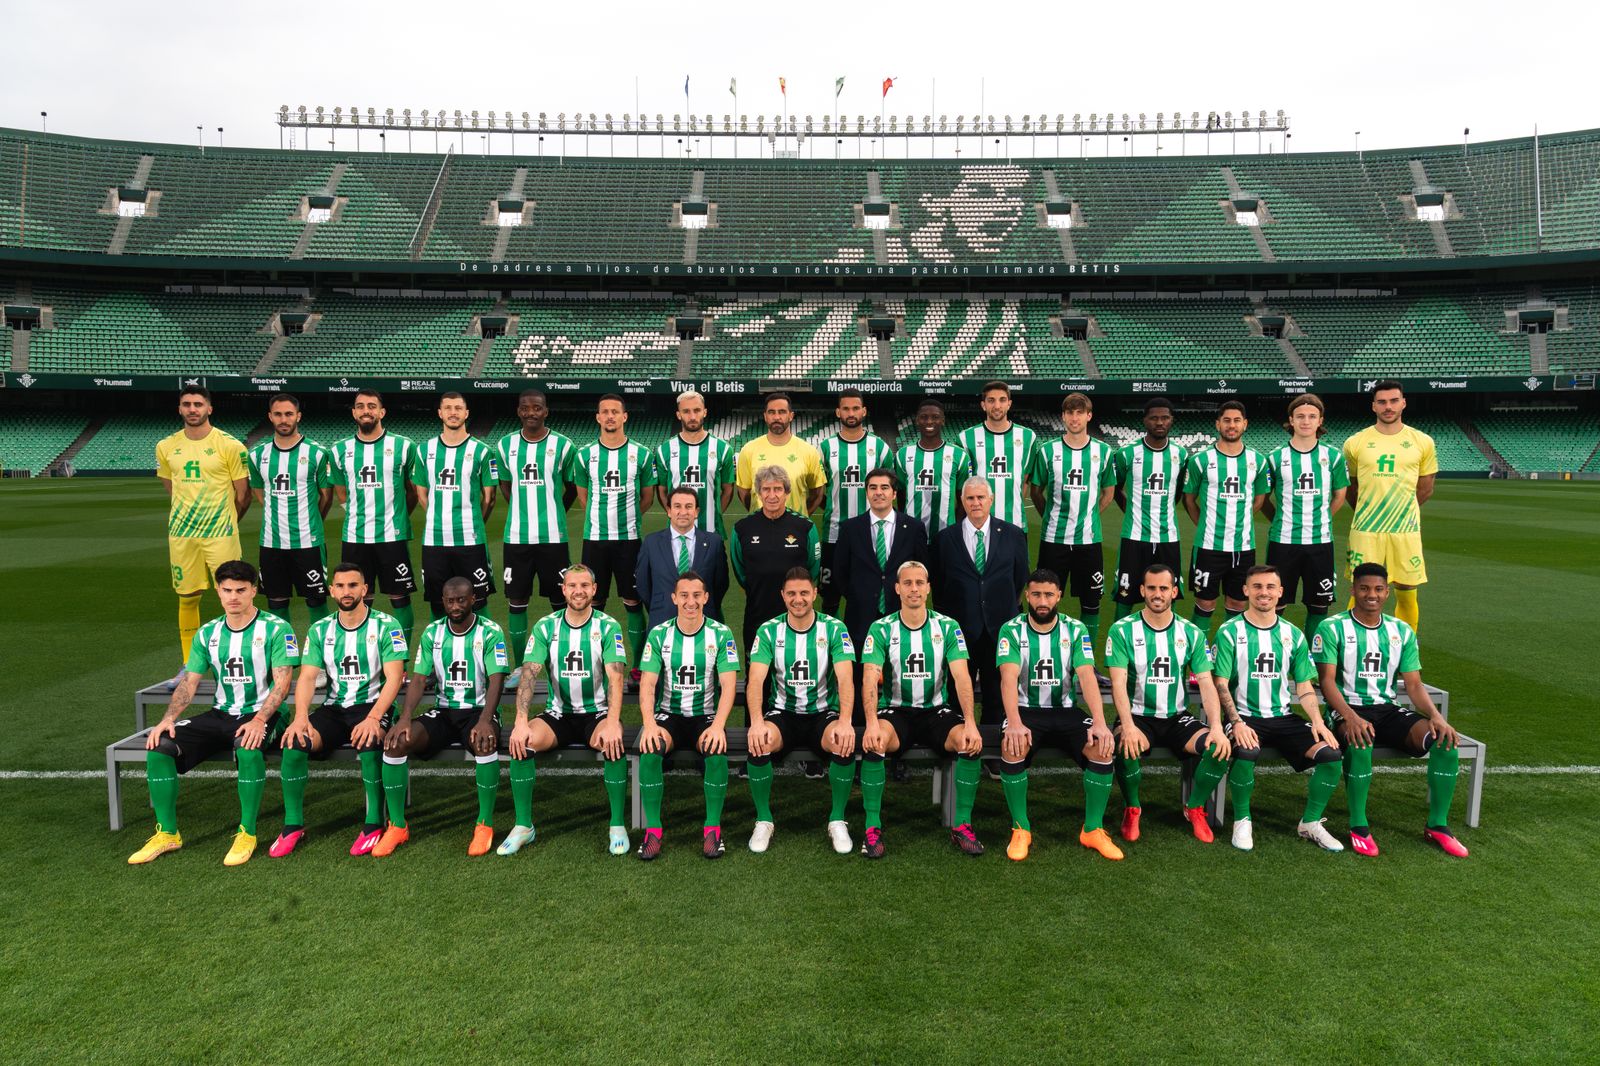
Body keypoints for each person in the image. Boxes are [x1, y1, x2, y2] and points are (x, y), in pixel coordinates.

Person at [128, 561, 297, 867]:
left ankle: (247, 831)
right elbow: (189, 682)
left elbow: (283, 683)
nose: (234, 597)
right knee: (159, 748)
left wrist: (259, 719)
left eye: (241, 590)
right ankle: (168, 833)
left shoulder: (275, 628)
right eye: (227, 590)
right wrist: (168, 718)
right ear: (218, 592)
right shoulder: (208, 633)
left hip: (264, 713)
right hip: (220, 714)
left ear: (254, 592)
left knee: (248, 748)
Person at [1313, 563, 1467, 857]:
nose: (1372, 595)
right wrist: (1351, 717)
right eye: (1365, 588)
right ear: (1354, 590)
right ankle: (1358, 825)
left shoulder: (1401, 631)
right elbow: (1327, 683)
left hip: (1387, 709)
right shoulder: (1332, 627)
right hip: (1347, 710)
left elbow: (1414, 685)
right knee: (1360, 740)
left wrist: (1437, 717)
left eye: (1379, 589)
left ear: (1387, 593)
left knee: (1445, 742)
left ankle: (1438, 825)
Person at [273, 563, 407, 858]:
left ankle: (374, 823)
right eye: (341, 586)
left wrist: (373, 718)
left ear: (364, 589)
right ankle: (292, 824)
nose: (347, 592)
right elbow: (307, 677)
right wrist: (300, 717)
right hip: (335, 707)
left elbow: (395, 677)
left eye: (353, 585)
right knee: (294, 742)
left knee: (370, 741)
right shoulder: (320, 629)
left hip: (373, 705)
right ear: (331, 590)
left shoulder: (386, 625)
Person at [1211, 565, 1345, 853]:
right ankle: (1243, 820)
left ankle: (1310, 823)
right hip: (1245, 717)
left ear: (1281, 593)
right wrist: (1235, 722)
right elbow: (1220, 683)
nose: (1264, 592)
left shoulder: (1293, 634)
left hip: (1283, 718)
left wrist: (1317, 721)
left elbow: (1305, 686)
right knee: (1246, 751)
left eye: (1270, 587)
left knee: (1332, 756)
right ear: (1246, 591)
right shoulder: (1229, 631)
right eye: (1257, 586)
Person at [374, 577, 510, 858]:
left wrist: (487, 719)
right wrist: (405, 717)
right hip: (445, 711)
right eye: (450, 600)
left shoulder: (490, 632)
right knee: (396, 742)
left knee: (484, 743)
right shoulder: (433, 632)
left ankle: (484, 824)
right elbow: (420, 678)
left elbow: (497, 679)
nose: (456, 605)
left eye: (462, 600)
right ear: (443, 601)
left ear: (474, 600)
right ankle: (397, 825)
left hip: (478, 710)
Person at [503, 565, 630, 856]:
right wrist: (521, 721)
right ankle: (524, 826)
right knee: (522, 740)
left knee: (613, 740)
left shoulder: (608, 626)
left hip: (596, 714)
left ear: (594, 590)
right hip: (557, 714)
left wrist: (612, 722)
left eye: (585, 585)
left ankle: (617, 824)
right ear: (563, 590)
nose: (578, 591)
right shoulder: (546, 626)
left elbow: (616, 677)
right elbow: (529, 674)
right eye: (572, 586)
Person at [995, 569, 1121, 862]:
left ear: (1058, 597)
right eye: (1036, 594)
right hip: (1027, 711)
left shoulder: (1075, 630)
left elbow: (1087, 676)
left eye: (1048, 595)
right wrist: (1013, 722)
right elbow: (1008, 678)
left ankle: (1092, 829)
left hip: (1066, 711)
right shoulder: (1011, 630)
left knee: (1101, 747)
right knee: (1012, 745)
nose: (1042, 601)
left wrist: (1100, 722)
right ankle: (1020, 828)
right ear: (1027, 595)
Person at [859, 561, 984, 858]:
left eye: (919, 583)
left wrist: (970, 722)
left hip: (936, 711)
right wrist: (871, 723)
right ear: (897, 588)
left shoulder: (948, 626)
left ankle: (961, 824)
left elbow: (962, 676)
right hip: (895, 711)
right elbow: (868, 677)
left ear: (928, 588)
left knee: (968, 743)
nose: (914, 588)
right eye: (908, 583)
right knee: (875, 743)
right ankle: (872, 826)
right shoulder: (881, 628)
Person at [1105, 563, 1232, 846]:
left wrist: (1216, 727)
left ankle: (1195, 807)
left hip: (1177, 718)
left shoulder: (1191, 633)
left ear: (1174, 592)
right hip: (1137, 715)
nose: (1157, 594)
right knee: (1126, 746)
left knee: (1219, 747)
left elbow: (1207, 683)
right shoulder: (1122, 630)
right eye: (1151, 588)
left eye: (1164, 588)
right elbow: (1117, 683)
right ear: (1142, 590)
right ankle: (1133, 807)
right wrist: (1126, 725)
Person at [745, 568, 859, 854]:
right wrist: (757, 722)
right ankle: (764, 820)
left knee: (843, 742)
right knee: (759, 743)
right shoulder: (769, 630)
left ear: (815, 594)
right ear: (783, 596)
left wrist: (845, 721)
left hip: (822, 714)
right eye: (792, 593)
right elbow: (756, 679)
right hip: (783, 714)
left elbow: (845, 678)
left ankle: (837, 819)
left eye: (804, 593)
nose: (799, 599)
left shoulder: (834, 629)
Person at [634, 571, 742, 860]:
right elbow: (647, 684)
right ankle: (653, 830)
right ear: (674, 598)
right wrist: (649, 724)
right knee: (650, 749)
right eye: (684, 595)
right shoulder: (659, 633)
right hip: (668, 715)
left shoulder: (720, 633)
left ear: (706, 598)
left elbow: (729, 684)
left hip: (704, 716)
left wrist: (719, 726)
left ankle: (713, 828)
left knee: (716, 751)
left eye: (696, 595)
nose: (690, 601)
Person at [155, 385, 251, 688]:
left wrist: (224, 522)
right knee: (187, 597)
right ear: (180, 409)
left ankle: (244, 661)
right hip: (182, 535)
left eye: (198, 404)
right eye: (187, 404)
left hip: (220, 534)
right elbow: (171, 488)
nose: (192, 409)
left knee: (235, 595)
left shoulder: (230, 445)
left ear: (209, 408)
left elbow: (243, 494)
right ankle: (188, 666)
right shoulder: (166, 446)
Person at [495, 389, 578, 681]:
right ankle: (520, 666)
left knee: (561, 603)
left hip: (553, 539)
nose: (531, 412)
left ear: (546, 411)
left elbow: (570, 488)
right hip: (517, 538)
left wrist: (555, 510)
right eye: (525, 407)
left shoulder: (564, 446)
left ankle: (559, 664)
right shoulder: (504, 446)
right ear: (518, 411)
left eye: (537, 408)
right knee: (517, 601)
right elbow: (506, 486)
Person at [932, 476, 1030, 722]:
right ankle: (959, 746)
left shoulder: (1013, 535)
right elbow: (940, 585)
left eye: (980, 497)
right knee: (956, 694)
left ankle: (994, 751)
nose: (976, 503)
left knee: (997, 694)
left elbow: (1020, 578)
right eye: (970, 498)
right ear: (962, 501)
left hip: (1000, 629)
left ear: (991, 500)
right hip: (960, 630)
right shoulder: (945, 539)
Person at [1343, 380, 1437, 632]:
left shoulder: (1422, 441)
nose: (1388, 407)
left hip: (1405, 531)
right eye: (1382, 402)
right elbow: (1351, 488)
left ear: (1403, 403)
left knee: (1406, 592)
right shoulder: (1355, 442)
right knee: (1361, 590)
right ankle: (1356, 647)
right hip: (1366, 530)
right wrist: (1368, 511)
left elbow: (1426, 488)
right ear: (1373, 406)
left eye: (1394, 401)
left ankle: (1406, 650)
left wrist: (1402, 512)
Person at [573, 393, 657, 673]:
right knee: (593, 602)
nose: (610, 416)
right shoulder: (584, 455)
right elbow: (583, 497)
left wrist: (627, 519)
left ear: (625, 417)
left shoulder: (642, 454)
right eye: (604, 412)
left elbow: (647, 497)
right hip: (595, 540)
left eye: (615, 412)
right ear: (598, 417)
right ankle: (597, 661)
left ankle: (638, 665)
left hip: (629, 541)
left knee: (633, 602)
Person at [331, 388, 419, 647]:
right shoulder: (338, 450)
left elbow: (412, 492)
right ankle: (361, 654)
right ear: (353, 412)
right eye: (360, 406)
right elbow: (341, 493)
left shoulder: (403, 446)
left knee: (399, 597)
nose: (365, 410)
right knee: (355, 598)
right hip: (355, 537)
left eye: (371, 406)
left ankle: (400, 660)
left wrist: (397, 516)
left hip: (392, 536)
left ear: (382, 412)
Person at [1029, 392, 1116, 640]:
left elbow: (1108, 492)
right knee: (1044, 598)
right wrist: (1050, 517)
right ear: (1063, 416)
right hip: (1053, 540)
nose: (1074, 418)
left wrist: (1089, 516)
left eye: (1080, 413)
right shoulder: (1047, 451)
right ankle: (1046, 653)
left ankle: (1086, 661)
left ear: (1089, 416)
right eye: (1070, 413)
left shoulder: (1103, 451)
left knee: (1091, 602)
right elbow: (1036, 491)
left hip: (1088, 542)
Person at [1263, 393, 1348, 639]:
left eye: (1312, 416)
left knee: (1319, 605)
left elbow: (1339, 495)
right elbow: (1263, 498)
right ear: (1291, 419)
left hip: (1320, 543)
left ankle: (1312, 667)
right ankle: (1277, 662)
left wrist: (1321, 519)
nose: (1306, 421)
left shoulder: (1333, 456)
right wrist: (1280, 519)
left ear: (1320, 420)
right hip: (1283, 542)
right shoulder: (1275, 457)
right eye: (1300, 416)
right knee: (1275, 605)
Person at [1182, 401, 1270, 635]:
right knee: (1205, 603)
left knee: (1238, 604)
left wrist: (1241, 521)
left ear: (1245, 424)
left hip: (1243, 547)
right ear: (1218, 424)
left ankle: (1229, 660)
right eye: (1227, 420)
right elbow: (1189, 499)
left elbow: (1259, 500)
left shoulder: (1257, 461)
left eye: (1237, 420)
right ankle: (1198, 664)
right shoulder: (1201, 460)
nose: (1232, 425)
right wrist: (1205, 524)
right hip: (1208, 547)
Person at [248, 393, 335, 630]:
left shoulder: (317, 453)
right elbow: (259, 493)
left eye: (288, 414)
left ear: (298, 416)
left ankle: (318, 663)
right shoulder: (257, 455)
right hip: (272, 543)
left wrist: (311, 519)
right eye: (278, 414)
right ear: (270, 417)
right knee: (276, 604)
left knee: (316, 601)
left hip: (308, 541)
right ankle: (283, 660)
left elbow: (326, 496)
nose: (283, 419)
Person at [410, 392, 498, 621]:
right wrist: (439, 518)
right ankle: (438, 653)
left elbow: (490, 497)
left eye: (458, 408)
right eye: (447, 408)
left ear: (466, 413)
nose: (453, 412)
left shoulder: (482, 451)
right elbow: (421, 494)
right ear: (440, 413)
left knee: (478, 600)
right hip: (434, 540)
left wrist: (474, 522)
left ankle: (483, 651)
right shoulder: (424, 450)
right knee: (438, 601)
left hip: (470, 540)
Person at [833, 468, 930, 658]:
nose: (878, 492)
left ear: (894, 494)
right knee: (861, 679)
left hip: (902, 614)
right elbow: (840, 571)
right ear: (867, 493)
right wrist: (858, 594)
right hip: (861, 616)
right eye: (873, 488)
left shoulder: (913, 528)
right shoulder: (850, 528)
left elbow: (923, 569)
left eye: (884, 487)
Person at [730, 464, 822, 662]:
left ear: (787, 492)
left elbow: (812, 569)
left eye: (778, 489)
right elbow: (740, 570)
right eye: (766, 489)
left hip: (796, 615)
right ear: (759, 493)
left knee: (795, 670)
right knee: (757, 674)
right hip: (757, 614)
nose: (772, 495)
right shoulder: (742, 529)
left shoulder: (805, 527)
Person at [816, 388, 894, 615]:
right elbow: (821, 493)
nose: (851, 413)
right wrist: (834, 508)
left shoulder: (879, 447)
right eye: (846, 408)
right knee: (829, 598)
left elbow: (888, 490)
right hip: (834, 535)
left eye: (856, 408)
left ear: (864, 411)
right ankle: (830, 648)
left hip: (871, 535)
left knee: (868, 593)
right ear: (838, 412)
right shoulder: (825, 448)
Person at [1111, 396, 1189, 620]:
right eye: (1154, 418)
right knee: (1125, 596)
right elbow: (1115, 488)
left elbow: (1178, 492)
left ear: (1172, 420)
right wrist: (1132, 510)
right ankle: (1120, 645)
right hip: (1134, 538)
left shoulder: (1180, 455)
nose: (1159, 422)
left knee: (1167, 595)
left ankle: (1166, 641)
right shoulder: (1126, 454)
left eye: (1165, 418)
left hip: (1168, 538)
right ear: (1145, 421)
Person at [636, 486, 729, 629]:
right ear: (669, 511)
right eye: (677, 506)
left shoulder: (714, 543)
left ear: (696, 512)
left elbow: (720, 584)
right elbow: (643, 584)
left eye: (689, 506)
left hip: (704, 620)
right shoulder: (651, 542)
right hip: (662, 619)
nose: (683, 512)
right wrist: (659, 606)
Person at [957, 380, 1037, 530]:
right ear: (983, 405)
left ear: (1009, 404)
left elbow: (1024, 480)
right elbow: (963, 486)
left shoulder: (1028, 437)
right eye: (991, 400)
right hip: (979, 526)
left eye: (1002, 400)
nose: (997, 406)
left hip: (1015, 525)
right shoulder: (965, 438)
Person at [655, 390, 736, 534]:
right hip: (676, 533)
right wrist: (676, 514)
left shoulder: (723, 449)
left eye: (697, 410)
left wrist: (714, 514)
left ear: (704, 412)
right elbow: (662, 491)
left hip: (712, 532)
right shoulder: (664, 450)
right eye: (686, 411)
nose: (692, 416)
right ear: (678, 415)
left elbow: (728, 490)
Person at [734, 391, 826, 514]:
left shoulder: (809, 451)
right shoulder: (748, 450)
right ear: (765, 416)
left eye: (782, 412)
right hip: (760, 527)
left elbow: (817, 494)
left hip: (796, 529)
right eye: (771, 412)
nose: (777, 417)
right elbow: (744, 494)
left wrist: (799, 518)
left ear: (791, 415)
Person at [893, 398, 971, 537]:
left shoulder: (959, 455)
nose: (929, 421)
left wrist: (955, 528)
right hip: (911, 534)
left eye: (935, 417)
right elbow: (901, 494)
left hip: (946, 534)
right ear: (917, 420)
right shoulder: (903, 455)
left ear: (943, 420)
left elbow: (963, 498)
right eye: (924, 417)